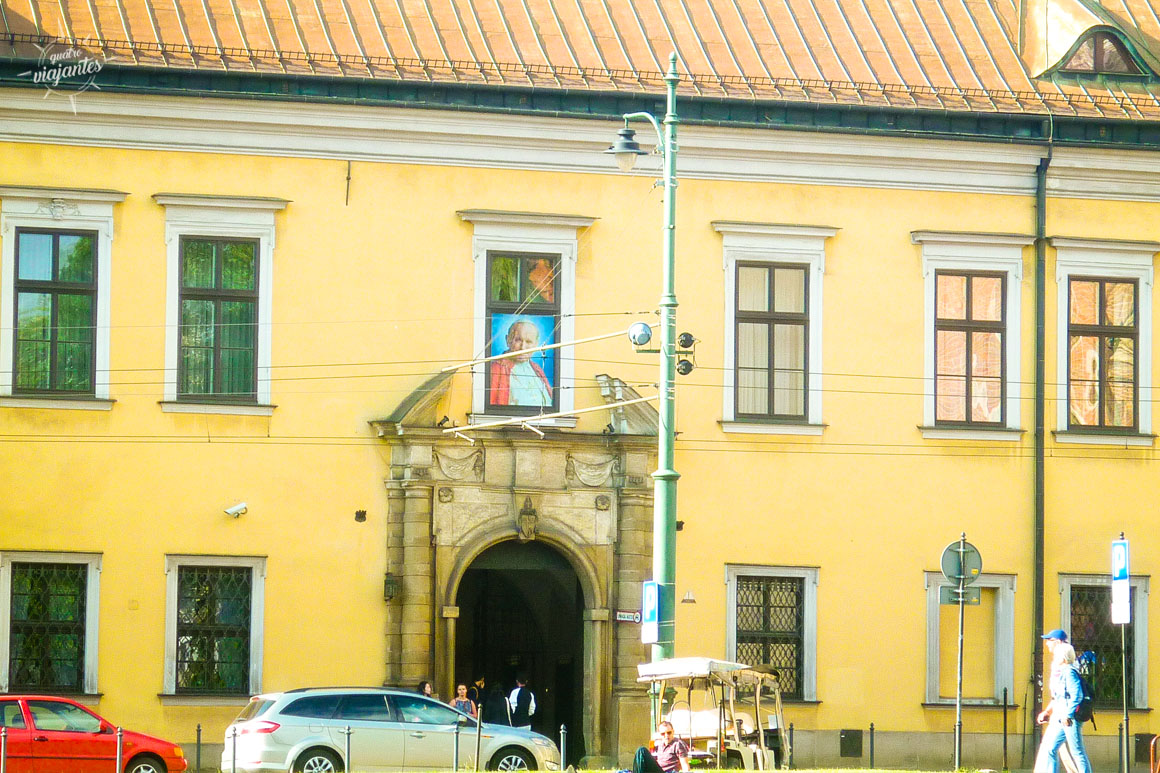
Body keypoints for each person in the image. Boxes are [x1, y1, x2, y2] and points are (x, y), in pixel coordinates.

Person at [1034, 629, 1092, 773]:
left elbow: (1076, 695)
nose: (1047, 643)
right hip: (1060, 716)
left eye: (1050, 640)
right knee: (1049, 747)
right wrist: (1048, 711)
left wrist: (1068, 714)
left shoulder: (1069, 671)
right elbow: (1058, 696)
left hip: (1068, 718)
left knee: (1077, 752)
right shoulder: (1061, 669)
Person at [489, 319, 552, 407]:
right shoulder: (496, 369)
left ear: (536, 344)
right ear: (508, 340)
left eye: (529, 342)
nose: (523, 347)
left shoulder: (537, 370)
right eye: (518, 340)